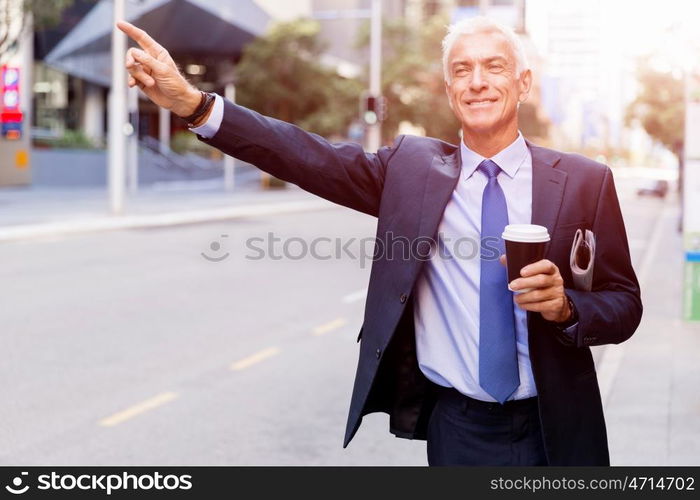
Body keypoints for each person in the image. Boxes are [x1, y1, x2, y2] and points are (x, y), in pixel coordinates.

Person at [117, 16, 642, 466]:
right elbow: (304, 155)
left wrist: (567, 309)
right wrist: (194, 104)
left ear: (523, 82)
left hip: (557, 424)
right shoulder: (412, 169)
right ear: (448, 88)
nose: (477, 82)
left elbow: (624, 304)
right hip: (455, 429)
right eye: (462, 70)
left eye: (494, 66)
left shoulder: (583, 181)